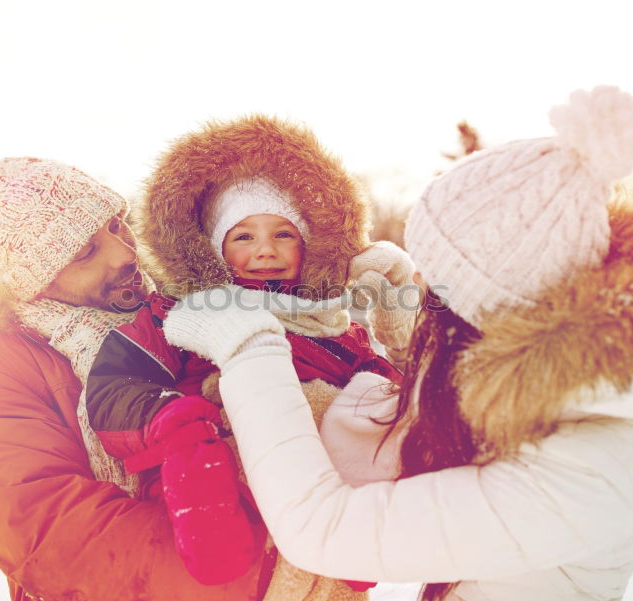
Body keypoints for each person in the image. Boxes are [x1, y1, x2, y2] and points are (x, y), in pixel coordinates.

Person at [161, 86, 633, 600]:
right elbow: (411, 425)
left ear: (487, 304)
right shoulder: (554, 386)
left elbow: (323, 526)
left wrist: (250, 348)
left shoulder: (584, 475)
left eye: (438, 283)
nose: (422, 289)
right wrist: (401, 337)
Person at [25, 115, 418, 601]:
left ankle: (355, 537)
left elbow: (378, 384)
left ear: (309, 242)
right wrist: (168, 419)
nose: (266, 251)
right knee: (204, 443)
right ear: (216, 247)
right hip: (214, 459)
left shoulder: (330, 317)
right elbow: (115, 383)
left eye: (284, 234)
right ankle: (210, 522)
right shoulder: (180, 310)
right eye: (244, 237)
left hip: (319, 485)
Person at [0, 143, 275, 601]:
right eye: (85, 252)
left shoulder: (178, 313)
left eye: (115, 224)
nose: (124, 254)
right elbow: (52, 533)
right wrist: (259, 573)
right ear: (33, 279)